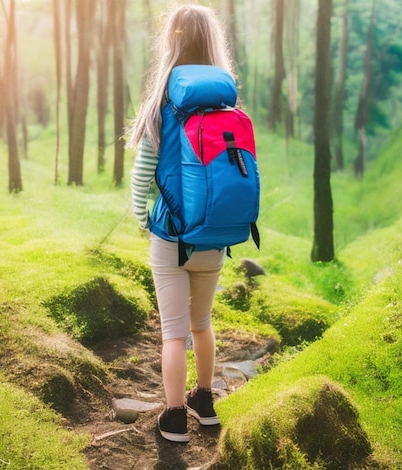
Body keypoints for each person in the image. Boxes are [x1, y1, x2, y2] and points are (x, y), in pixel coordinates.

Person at [127, 4, 236, 443]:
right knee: (202, 323)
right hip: (213, 235)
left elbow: (142, 172)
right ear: (213, 43)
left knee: (173, 333)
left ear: (170, 42)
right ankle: (205, 401)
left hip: (170, 235)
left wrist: (141, 216)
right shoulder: (226, 105)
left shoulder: (162, 104)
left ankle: (174, 419)